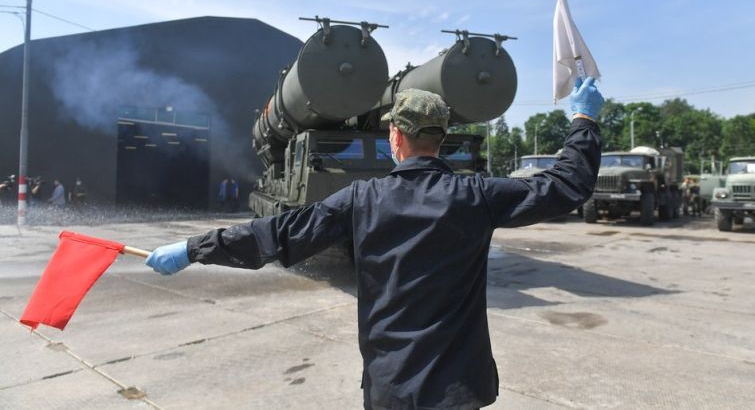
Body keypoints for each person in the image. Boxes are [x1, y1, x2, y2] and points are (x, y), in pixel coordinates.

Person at [146, 79, 604, 409]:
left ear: (394, 137)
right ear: (441, 140)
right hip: (458, 389)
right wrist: (583, 121)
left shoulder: (362, 199)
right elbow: (567, 185)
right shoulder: (477, 196)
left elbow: (275, 237)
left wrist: (194, 248)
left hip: (392, 386)